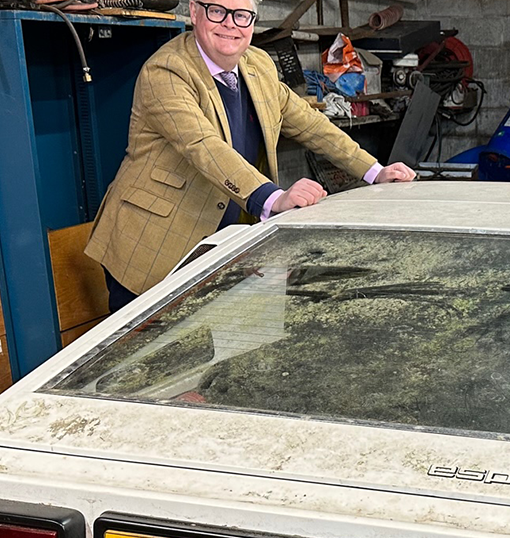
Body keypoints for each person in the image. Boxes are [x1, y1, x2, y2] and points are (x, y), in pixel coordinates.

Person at [86, 0, 415, 311]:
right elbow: (203, 146)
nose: (230, 25)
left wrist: (374, 170)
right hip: (151, 247)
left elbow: (310, 124)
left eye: (242, 15)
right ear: (195, 13)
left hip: (216, 249)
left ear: (252, 23)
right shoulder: (167, 71)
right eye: (218, 12)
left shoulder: (257, 65)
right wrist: (273, 199)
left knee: (201, 354)